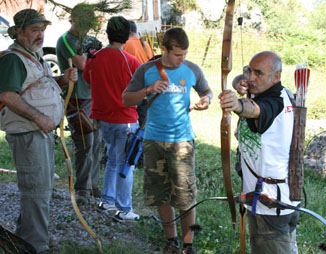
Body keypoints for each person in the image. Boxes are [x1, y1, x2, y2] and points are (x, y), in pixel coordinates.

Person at [122, 27, 213, 254]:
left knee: (185, 196)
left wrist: (206, 100)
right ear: (164, 49)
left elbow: (207, 91)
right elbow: (125, 99)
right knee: (160, 194)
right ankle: (171, 241)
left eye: (184, 54)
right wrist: (148, 89)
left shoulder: (191, 69)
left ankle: (188, 244)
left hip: (182, 140)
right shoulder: (146, 70)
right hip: (153, 140)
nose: (182, 59)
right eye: (177, 54)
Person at [0, 9, 77, 253]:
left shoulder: (34, 55)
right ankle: (36, 245)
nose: (40, 35)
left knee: (40, 187)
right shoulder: (14, 59)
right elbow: (7, 95)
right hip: (27, 132)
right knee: (36, 190)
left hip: (38, 132)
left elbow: (37, 87)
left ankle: (28, 237)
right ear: (19, 32)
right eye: (34, 30)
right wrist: (40, 117)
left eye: (42, 29)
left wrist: (63, 80)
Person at [219, 51, 300, 254]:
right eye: (250, 71)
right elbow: (248, 85)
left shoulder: (276, 102)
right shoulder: (279, 92)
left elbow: (256, 110)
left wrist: (237, 104)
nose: (251, 78)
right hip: (274, 199)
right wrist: (240, 81)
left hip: (270, 202)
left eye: (258, 73)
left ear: (276, 77)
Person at [83, 16, 141, 221]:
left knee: (113, 159)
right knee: (126, 163)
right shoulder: (130, 60)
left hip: (102, 118)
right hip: (123, 118)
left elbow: (88, 81)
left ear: (108, 34)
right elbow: (141, 88)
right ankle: (124, 209)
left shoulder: (95, 57)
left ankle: (107, 200)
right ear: (126, 36)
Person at [56, 3, 102, 203]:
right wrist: (91, 57)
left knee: (97, 143)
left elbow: (102, 62)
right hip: (76, 98)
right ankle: (82, 190)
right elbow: (83, 64)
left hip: (95, 96)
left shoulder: (93, 40)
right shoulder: (66, 39)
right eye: (81, 22)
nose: (85, 27)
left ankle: (93, 186)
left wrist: (91, 58)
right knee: (85, 142)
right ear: (73, 19)